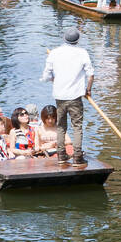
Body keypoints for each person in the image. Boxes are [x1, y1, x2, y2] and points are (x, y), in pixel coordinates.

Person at [41, 29, 94, 165]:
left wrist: (55, 79)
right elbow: (91, 75)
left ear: (64, 38)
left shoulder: (54, 53)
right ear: (77, 40)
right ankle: (77, 156)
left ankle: (61, 155)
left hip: (60, 96)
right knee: (77, 126)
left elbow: (46, 76)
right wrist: (88, 90)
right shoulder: (82, 53)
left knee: (60, 126)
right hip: (76, 96)